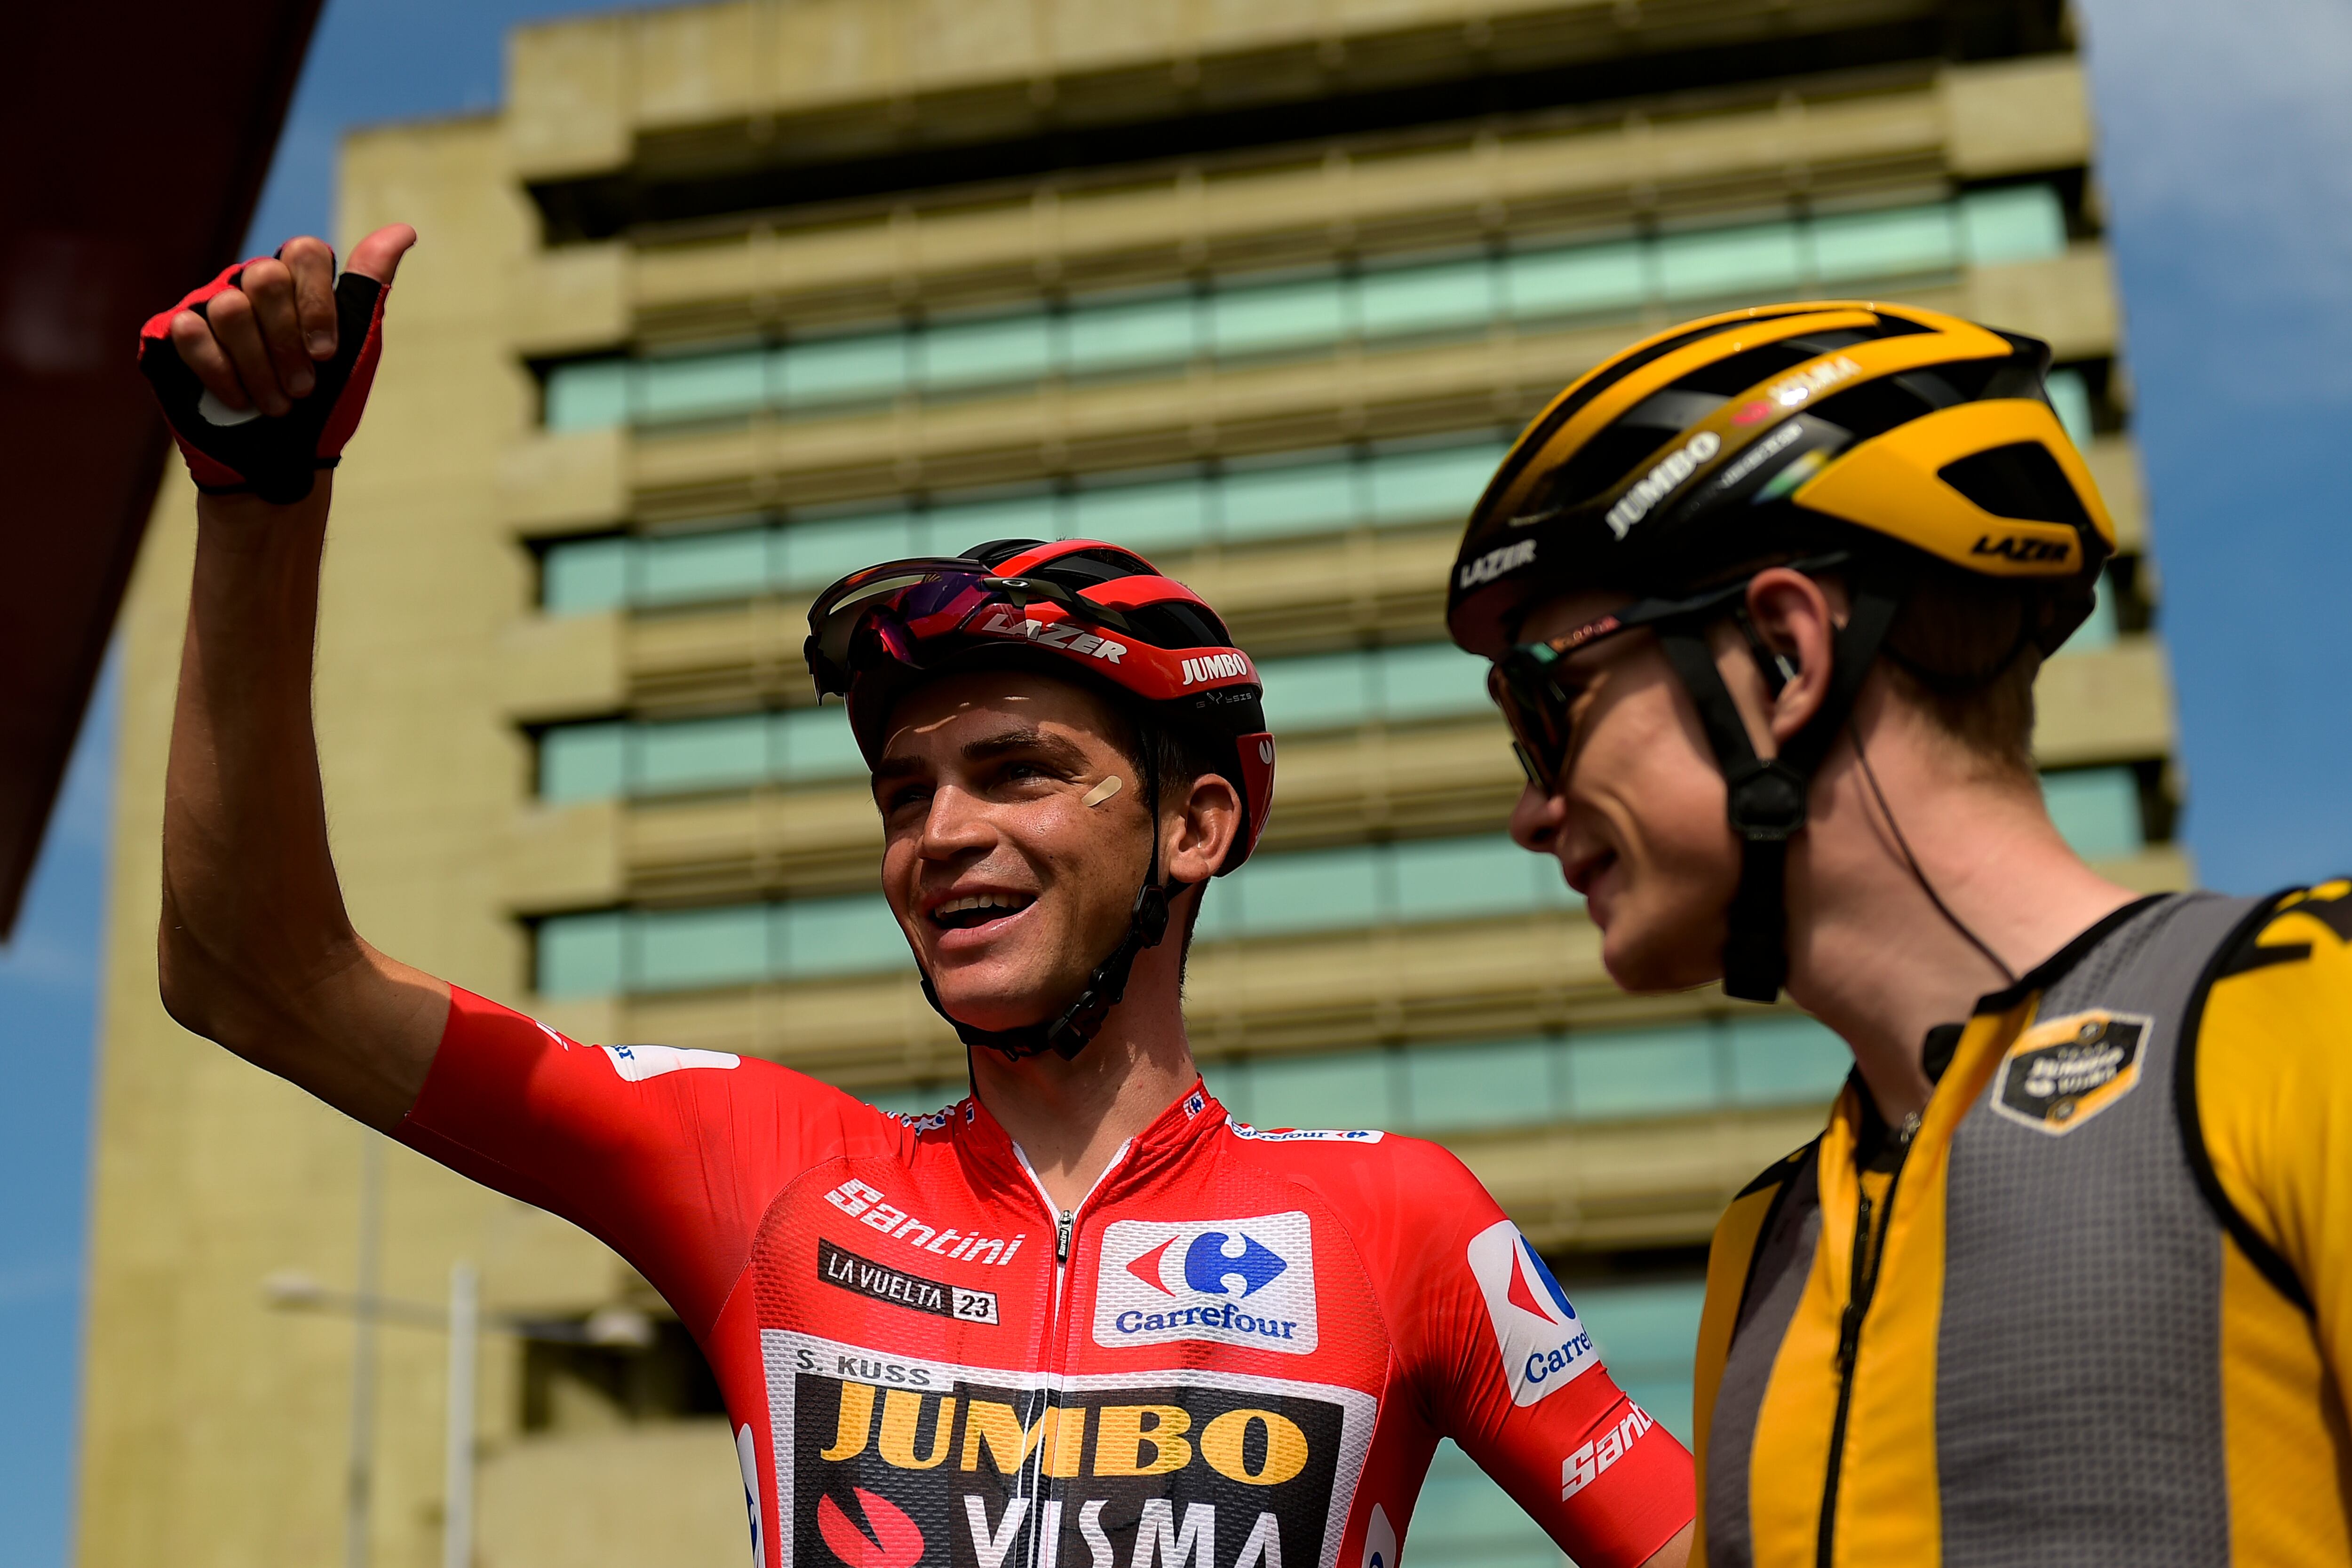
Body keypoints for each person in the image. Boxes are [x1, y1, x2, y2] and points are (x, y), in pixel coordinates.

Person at [137, 228, 1697, 1568]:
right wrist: (259, 507)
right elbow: (254, 972)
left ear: (1196, 826)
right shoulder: (762, 1172)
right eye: (905, 795)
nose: (942, 833)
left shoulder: (1399, 1223)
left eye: (1017, 773)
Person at [1443, 298, 2352, 1565]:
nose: (1532, 813)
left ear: (1784, 654)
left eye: (1552, 705)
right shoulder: (1762, 1250)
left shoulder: (2313, 1010)